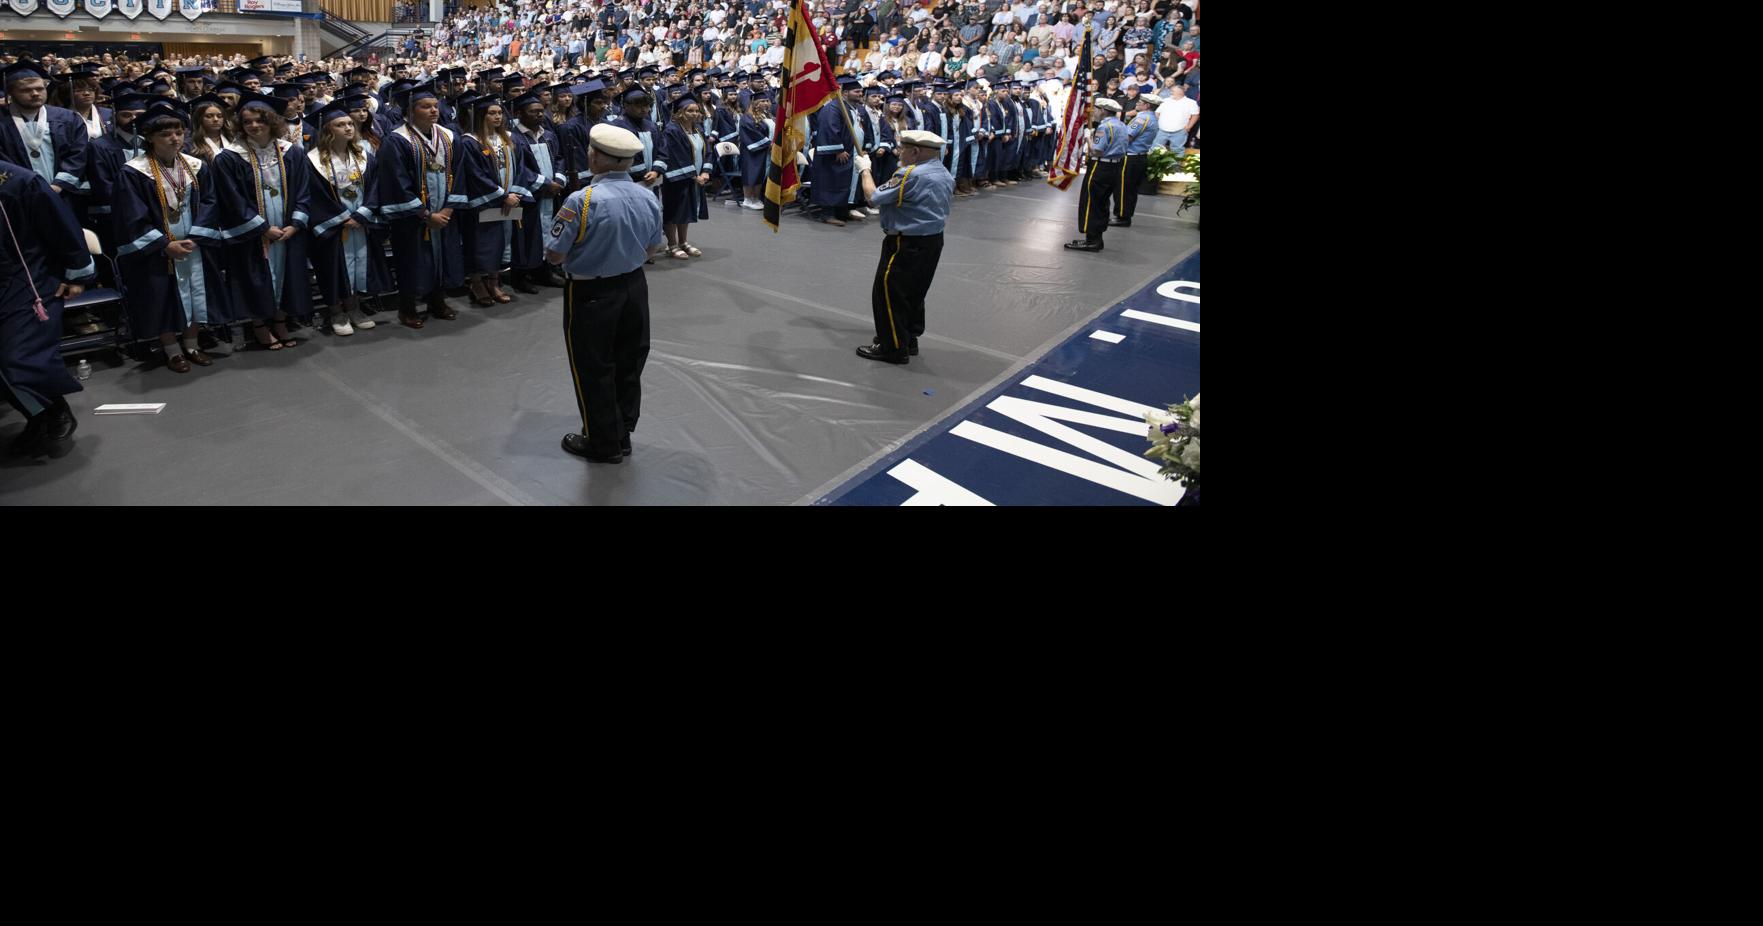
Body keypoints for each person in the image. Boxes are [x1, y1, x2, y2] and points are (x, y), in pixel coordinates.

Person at [544, 123, 664, 465]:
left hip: (591, 290)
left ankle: (603, 442)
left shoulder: (582, 201)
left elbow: (555, 253)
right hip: (634, 286)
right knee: (629, 361)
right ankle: (622, 432)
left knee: (593, 366)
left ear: (594, 157)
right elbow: (653, 247)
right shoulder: (646, 194)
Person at [113, 101, 238, 372]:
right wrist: (164, 244)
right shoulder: (134, 171)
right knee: (163, 297)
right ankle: (172, 350)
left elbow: (210, 202)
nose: (174, 139)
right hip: (160, 250)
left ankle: (192, 345)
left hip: (193, 245)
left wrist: (196, 237)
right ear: (149, 138)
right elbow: (131, 215)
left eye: (179, 132)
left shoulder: (196, 166)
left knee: (195, 293)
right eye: (165, 134)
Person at [1, 157, 96, 458]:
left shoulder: (17, 181)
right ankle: (38, 415)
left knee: (16, 357)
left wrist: (76, 273)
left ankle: (53, 409)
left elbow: (62, 226)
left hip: (26, 279)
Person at [215, 91, 314, 350]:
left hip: (287, 228)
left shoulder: (292, 152)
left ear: (272, 121)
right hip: (254, 233)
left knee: (287, 275)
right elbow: (232, 199)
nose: (254, 125)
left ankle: (281, 320)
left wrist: (295, 223)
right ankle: (259, 324)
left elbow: (303, 190)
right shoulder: (229, 157)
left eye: (260, 119)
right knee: (255, 277)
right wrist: (261, 227)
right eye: (247, 121)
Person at [373, 80, 475, 328]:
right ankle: (407, 308)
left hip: (445, 214)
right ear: (410, 111)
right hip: (413, 219)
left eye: (434, 105)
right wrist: (426, 214)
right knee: (412, 260)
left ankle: (437, 301)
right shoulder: (396, 141)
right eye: (425, 106)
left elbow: (460, 174)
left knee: (442, 258)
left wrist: (448, 210)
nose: (433, 110)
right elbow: (396, 182)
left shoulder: (450, 137)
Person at [850, 129, 953, 364]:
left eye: (903, 148)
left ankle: (892, 347)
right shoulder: (943, 172)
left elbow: (873, 197)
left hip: (905, 242)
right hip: (932, 240)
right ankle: (908, 339)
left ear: (915, 152)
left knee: (889, 294)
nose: (899, 152)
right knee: (914, 293)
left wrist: (864, 169)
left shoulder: (910, 174)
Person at [305, 100, 382, 336]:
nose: (348, 128)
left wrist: (363, 213)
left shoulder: (364, 155)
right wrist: (341, 218)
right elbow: (313, 195)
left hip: (360, 221)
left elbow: (376, 186)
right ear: (328, 130)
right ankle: (336, 311)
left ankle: (354, 307)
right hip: (334, 225)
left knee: (359, 264)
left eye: (350, 124)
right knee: (332, 267)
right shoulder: (313, 160)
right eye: (340, 124)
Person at [455, 94, 530, 307]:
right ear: (481, 116)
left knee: (501, 242)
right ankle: (477, 282)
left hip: (508, 201)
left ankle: (494, 281)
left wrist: (514, 194)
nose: (498, 117)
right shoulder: (470, 141)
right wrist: (503, 195)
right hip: (484, 202)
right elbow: (475, 174)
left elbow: (522, 167)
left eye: (499, 113)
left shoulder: (510, 138)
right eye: (492, 113)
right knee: (480, 244)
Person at [0, 60, 90, 202]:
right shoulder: (2, 121)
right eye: (26, 90)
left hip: (63, 194)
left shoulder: (68, 118)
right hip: (17, 198)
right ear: (11, 92)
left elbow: (78, 154)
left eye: (40, 89)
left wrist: (58, 185)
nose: (35, 93)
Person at [511, 89, 569, 290]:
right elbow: (519, 168)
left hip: (552, 193)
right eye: (533, 111)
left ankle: (545, 269)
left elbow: (560, 158)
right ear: (519, 113)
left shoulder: (549, 136)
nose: (539, 114)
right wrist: (545, 184)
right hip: (530, 195)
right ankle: (522, 275)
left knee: (548, 231)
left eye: (540, 111)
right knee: (526, 235)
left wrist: (559, 180)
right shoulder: (514, 138)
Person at [657, 93, 717, 258]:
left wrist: (705, 171)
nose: (695, 114)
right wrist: (693, 175)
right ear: (680, 112)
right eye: (690, 111)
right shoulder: (672, 130)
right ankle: (671, 244)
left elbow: (708, 151)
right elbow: (676, 156)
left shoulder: (698, 129)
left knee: (687, 210)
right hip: (677, 179)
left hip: (696, 177)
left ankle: (683, 242)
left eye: (697, 111)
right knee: (674, 210)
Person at [1064, 96, 1125, 252]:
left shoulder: (1105, 127)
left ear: (1103, 110)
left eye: (1096, 109)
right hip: (1115, 167)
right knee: (1102, 203)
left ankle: (1092, 240)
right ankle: (1097, 238)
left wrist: (1088, 137)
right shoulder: (1121, 125)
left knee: (1091, 202)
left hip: (1101, 166)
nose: (1094, 112)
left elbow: (1097, 149)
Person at [1112, 92, 1156, 226]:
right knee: (1130, 190)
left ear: (1147, 105)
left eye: (1140, 102)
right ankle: (1125, 216)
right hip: (1140, 157)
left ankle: (1122, 217)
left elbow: (1128, 137)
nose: (1137, 103)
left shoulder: (1142, 118)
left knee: (1123, 188)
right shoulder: (1152, 117)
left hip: (1131, 158)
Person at [736, 94, 773, 211]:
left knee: (760, 174)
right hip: (752, 151)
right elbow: (751, 133)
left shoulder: (768, 115)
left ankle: (756, 198)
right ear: (756, 103)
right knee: (751, 173)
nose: (766, 103)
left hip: (765, 150)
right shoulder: (747, 117)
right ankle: (747, 199)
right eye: (763, 101)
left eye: (767, 100)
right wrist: (769, 143)